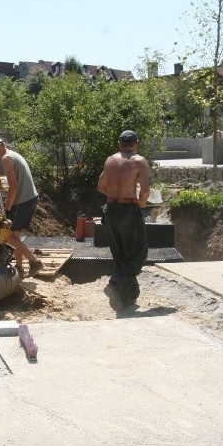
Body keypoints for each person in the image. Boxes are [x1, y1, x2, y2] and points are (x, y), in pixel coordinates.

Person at [96, 130, 150, 311]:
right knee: (138, 254)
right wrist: (140, 206)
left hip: (110, 209)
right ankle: (115, 283)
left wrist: (115, 194)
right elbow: (145, 191)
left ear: (119, 144)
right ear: (136, 144)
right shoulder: (139, 161)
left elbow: (101, 186)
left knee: (120, 255)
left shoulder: (110, 160)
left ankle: (127, 297)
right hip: (129, 208)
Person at [0, 136, 43, 277]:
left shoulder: (6, 158)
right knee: (15, 235)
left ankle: (34, 261)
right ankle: (19, 267)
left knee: (9, 237)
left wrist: (7, 209)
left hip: (23, 201)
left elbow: (13, 186)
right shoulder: (14, 155)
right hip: (30, 198)